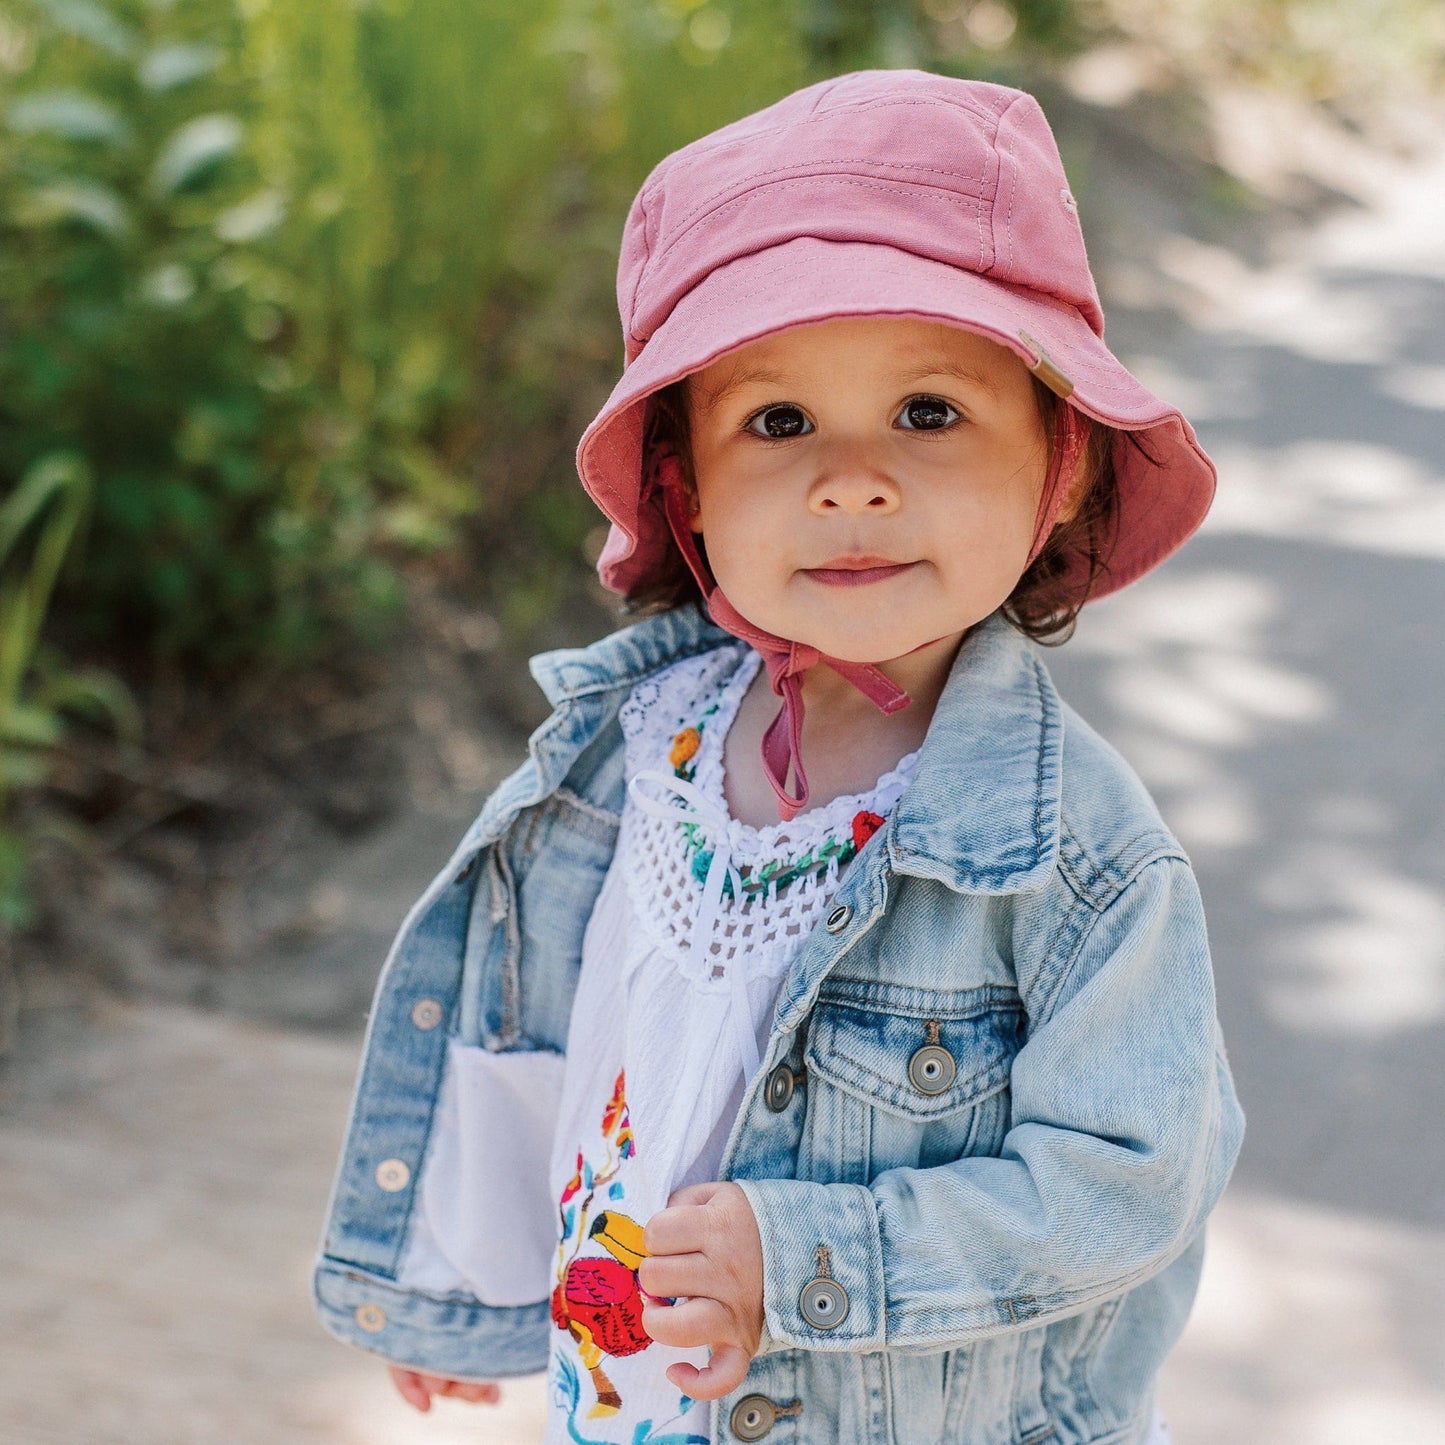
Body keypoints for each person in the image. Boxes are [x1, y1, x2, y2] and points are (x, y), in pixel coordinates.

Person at [313, 70, 1244, 1445]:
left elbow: (1130, 1177)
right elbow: (552, 1027)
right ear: (684, 482)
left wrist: (808, 1256)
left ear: (1060, 467)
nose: (850, 478)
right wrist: (471, 1270)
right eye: (778, 420)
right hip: (632, 1404)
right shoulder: (634, 749)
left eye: (928, 411)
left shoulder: (1076, 856)